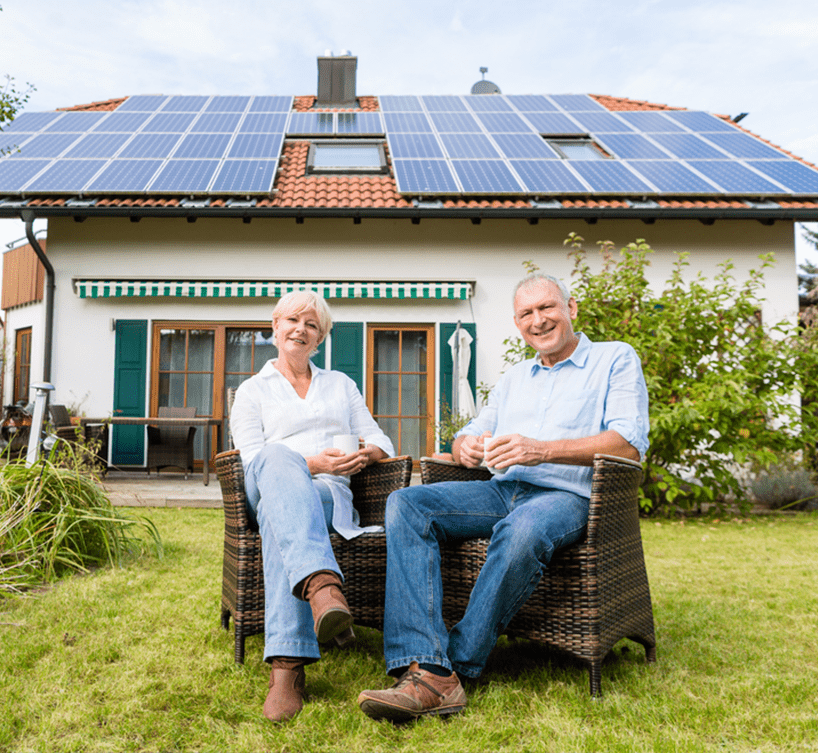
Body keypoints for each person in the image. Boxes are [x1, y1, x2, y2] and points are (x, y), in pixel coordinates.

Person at [357, 273, 649, 722]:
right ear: (517, 323)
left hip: (568, 496)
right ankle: (424, 659)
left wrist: (542, 450)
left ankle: (446, 668)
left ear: (571, 309)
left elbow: (628, 444)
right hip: (501, 489)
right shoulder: (515, 377)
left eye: (547, 307)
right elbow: (470, 433)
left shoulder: (614, 358)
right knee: (407, 503)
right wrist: (465, 448)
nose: (538, 320)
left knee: (522, 527)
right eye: (526, 313)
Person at [230, 290, 394, 723]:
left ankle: (287, 667)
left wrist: (365, 454)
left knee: (279, 518)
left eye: (312, 325)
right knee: (275, 457)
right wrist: (314, 463)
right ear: (275, 326)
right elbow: (252, 460)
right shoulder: (251, 391)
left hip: (328, 496)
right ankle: (322, 585)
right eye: (292, 320)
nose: (300, 330)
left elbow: (382, 439)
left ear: (320, 337)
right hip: (267, 484)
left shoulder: (340, 384)